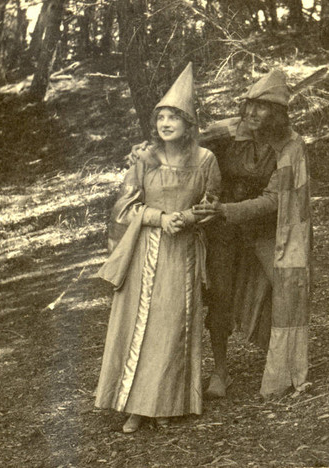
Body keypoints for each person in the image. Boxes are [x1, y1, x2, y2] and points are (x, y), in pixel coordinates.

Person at [94, 62, 221, 433]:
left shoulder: (206, 159)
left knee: (172, 324)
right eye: (161, 117)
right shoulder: (144, 158)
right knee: (140, 324)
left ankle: (167, 403)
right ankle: (135, 407)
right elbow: (124, 207)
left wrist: (190, 218)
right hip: (145, 251)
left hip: (182, 253)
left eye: (174, 117)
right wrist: (158, 217)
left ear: (188, 123)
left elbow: (212, 205)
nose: (166, 123)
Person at [193, 69, 312, 398]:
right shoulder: (230, 130)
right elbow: (185, 146)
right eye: (248, 105)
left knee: (284, 288)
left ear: (277, 113)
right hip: (222, 229)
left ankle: (284, 365)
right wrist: (145, 152)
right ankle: (220, 371)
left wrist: (229, 211)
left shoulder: (290, 145)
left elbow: (277, 199)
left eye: (261, 107)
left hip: (265, 229)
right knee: (219, 294)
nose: (251, 113)